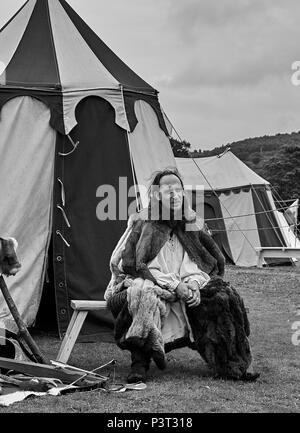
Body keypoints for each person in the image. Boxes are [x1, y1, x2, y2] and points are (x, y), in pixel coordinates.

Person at [104, 168, 259, 384]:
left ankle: (233, 362)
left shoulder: (190, 224)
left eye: (179, 190)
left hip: (186, 287)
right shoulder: (145, 224)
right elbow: (136, 265)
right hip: (151, 282)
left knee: (223, 296)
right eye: (169, 191)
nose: (175, 195)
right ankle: (139, 364)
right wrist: (175, 286)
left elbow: (201, 264)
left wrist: (194, 284)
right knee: (142, 294)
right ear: (157, 195)